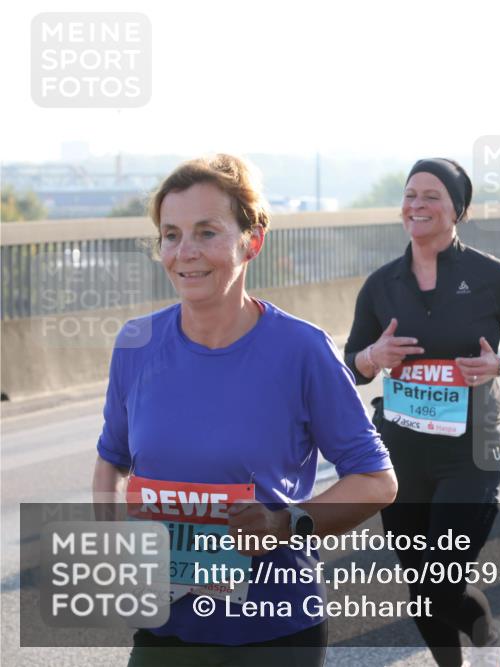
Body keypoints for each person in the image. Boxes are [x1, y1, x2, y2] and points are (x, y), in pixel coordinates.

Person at [92, 154, 398, 667]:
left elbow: (376, 480)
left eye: (207, 232)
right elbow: (112, 460)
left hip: (274, 630)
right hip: (165, 624)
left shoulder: (303, 350)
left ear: (251, 240)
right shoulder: (136, 343)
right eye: (171, 235)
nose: (184, 252)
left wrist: (285, 522)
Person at [345, 158, 500, 667]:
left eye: (432, 195)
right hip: (401, 452)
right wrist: (373, 358)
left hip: (469, 451)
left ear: (458, 209)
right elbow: (354, 363)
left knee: (443, 577)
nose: (417, 204)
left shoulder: (490, 276)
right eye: (411, 194)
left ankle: (488, 638)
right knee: (421, 584)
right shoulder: (382, 285)